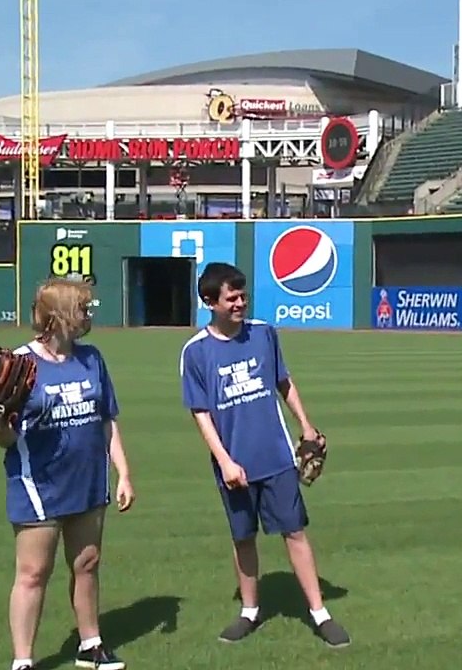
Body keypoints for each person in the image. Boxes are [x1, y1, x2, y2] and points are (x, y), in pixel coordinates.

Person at [178, 262, 350, 648]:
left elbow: (282, 381)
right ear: (210, 302)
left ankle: (320, 613)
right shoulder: (196, 352)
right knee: (243, 537)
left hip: (276, 455)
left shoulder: (263, 334)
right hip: (234, 462)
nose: (240, 303)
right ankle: (249, 611)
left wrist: (305, 425)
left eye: (243, 295)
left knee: (295, 531)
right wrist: (224, 461)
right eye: (231, 297)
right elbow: (200, 412)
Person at [0, 277, 135, 670]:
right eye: (83, 308)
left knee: (87, 563)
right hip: (39, 485)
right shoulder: (21, 364)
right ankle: (23, 660)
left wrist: (122, 472)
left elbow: (107, 419)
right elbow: (3, 439)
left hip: (88, 480)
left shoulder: (92, 359)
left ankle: (91, 645)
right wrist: (1, 422)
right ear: (59, 314)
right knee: (33, 573)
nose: (89, 314)